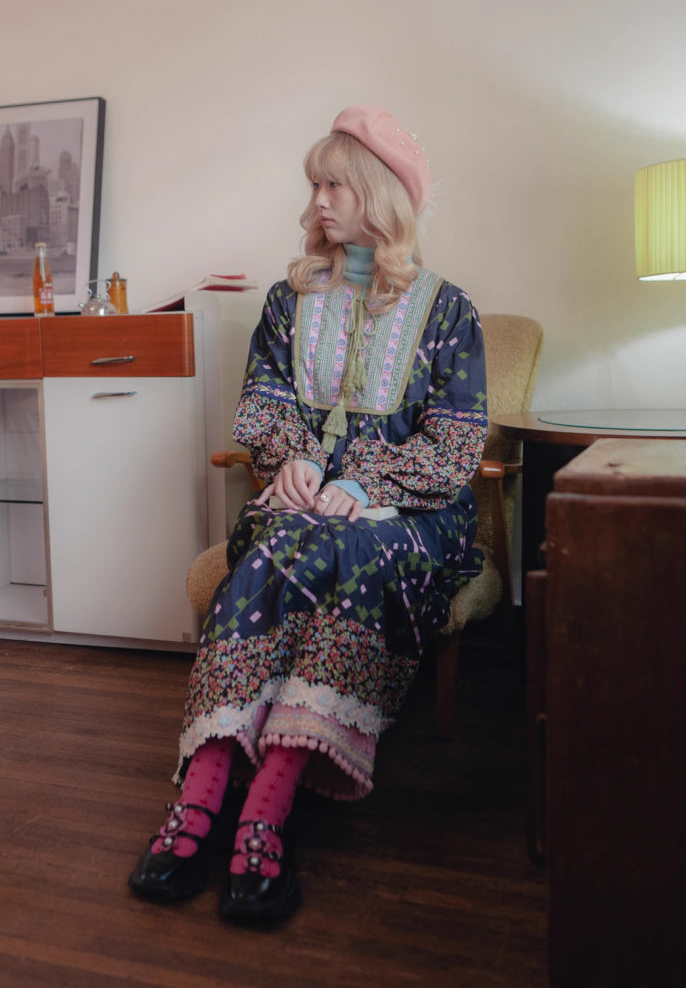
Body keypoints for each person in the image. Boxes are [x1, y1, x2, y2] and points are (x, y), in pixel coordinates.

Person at [129, 104, 488, 923]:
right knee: (281, 541)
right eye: (315, 184)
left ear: (379, 195)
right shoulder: (288, 301)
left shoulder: (447, 311)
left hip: (414, 514)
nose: (318, 199)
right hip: (299, 508)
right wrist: (290, 457)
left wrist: (363, 486)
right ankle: (203, 798)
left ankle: (265, 810)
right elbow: (263, 403)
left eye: (335, 184)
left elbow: (456, 445)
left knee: (345, 552)